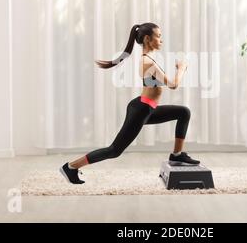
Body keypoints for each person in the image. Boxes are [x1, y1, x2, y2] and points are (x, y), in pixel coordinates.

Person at [60, 23, 199, 184]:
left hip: (146, 108)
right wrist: (182, 68)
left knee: (184, 112)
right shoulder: (148, 62)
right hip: (141, 110)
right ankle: (70, 167)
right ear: (148, 39)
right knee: (114, 150)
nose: (161, 40)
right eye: (159, 36)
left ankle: (176, 155)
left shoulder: (149, 59)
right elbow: (173, 84)